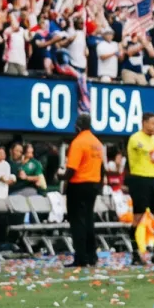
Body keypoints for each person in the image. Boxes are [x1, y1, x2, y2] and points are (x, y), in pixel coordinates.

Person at [64, 114, 106, 268]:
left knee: (77, 222)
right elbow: (102, 168)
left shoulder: (78, 142)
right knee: (88, 220)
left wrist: (61, 177)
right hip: (93, 184)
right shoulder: (97, 143)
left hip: (78, 184)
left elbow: (72, 169)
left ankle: (81, 257)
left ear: (80, 124)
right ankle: (92, 256)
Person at [125, 113, 154, 265]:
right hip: (139, 179)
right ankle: (135, 253)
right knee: (138, 216)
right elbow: (149, 154)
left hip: (152, 179)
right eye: (153, 123)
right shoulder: (135, 139)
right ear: (144, 123)